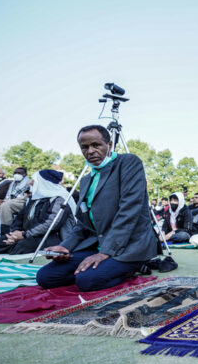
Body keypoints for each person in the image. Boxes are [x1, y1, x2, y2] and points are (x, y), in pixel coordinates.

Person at [35, 125, 157, 291]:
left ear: (109, 144)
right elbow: (83, 224)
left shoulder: (128, 163)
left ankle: (132, 268)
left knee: (86, 281)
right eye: (84, 147)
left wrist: (105, 253)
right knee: (45, 277)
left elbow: (129, 212)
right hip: (98, 244)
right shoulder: (87, 180)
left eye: (96, 145)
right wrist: (66, 246)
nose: (90, 151)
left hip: (129, 247)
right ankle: (101, 269)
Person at [0, 170, 76, 255]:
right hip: (26, 235)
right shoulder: (32, 199)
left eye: (34, 180)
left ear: (44, 183)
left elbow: (51, 224)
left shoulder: (59, 199)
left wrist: (24, 235)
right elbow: (20, 217)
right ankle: (13, 243)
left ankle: (15, 245)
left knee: (20, 247)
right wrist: (15, 233)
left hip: (48, 236)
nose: (30, 182)